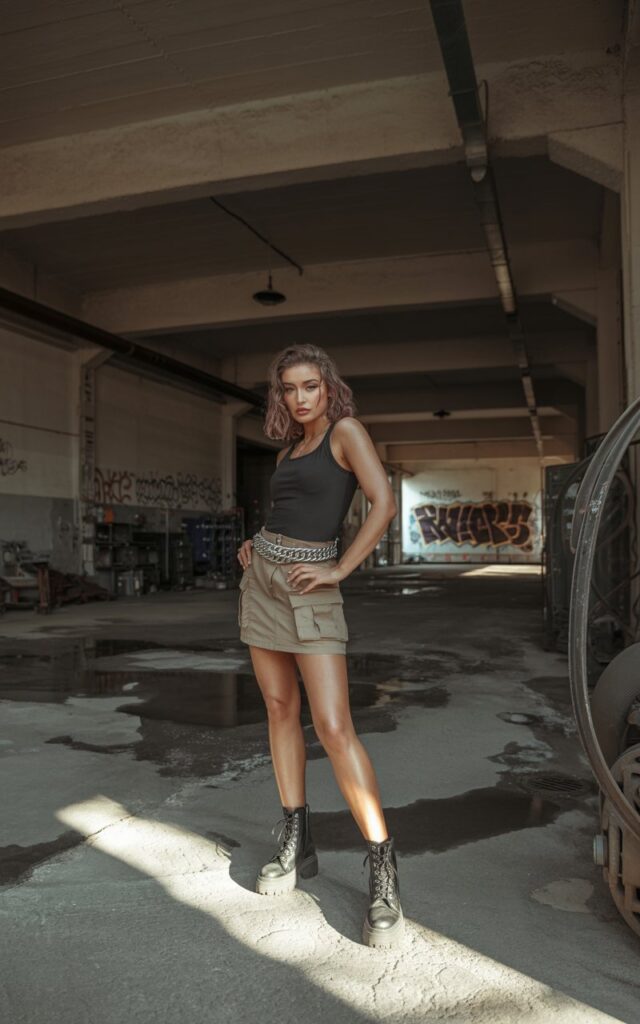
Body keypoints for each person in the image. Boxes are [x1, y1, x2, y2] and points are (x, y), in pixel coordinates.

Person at [236, 343, 404, 949]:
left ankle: (382, 866)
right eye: (289, 388)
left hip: (312, 585)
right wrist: (255, 543)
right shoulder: (291, 449)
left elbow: (381, 505)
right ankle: (294, 838)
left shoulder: (345, 433)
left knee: (334, 727)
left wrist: (340, 570)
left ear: (328, 387)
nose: (300, 397)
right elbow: (287, 510)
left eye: (310, 386)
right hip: (264, 582)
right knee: (280, 710)